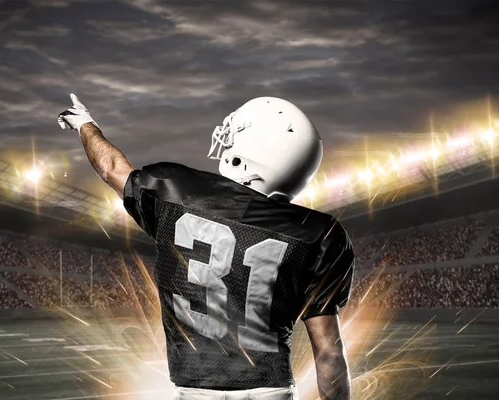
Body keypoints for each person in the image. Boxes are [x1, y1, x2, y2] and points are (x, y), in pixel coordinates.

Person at [58, 94, 354, 400]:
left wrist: (84, 124)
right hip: (270, 391)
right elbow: (328, 353)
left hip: (194, 392)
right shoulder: (318, 234)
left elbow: (110, 167)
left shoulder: (175, 191)